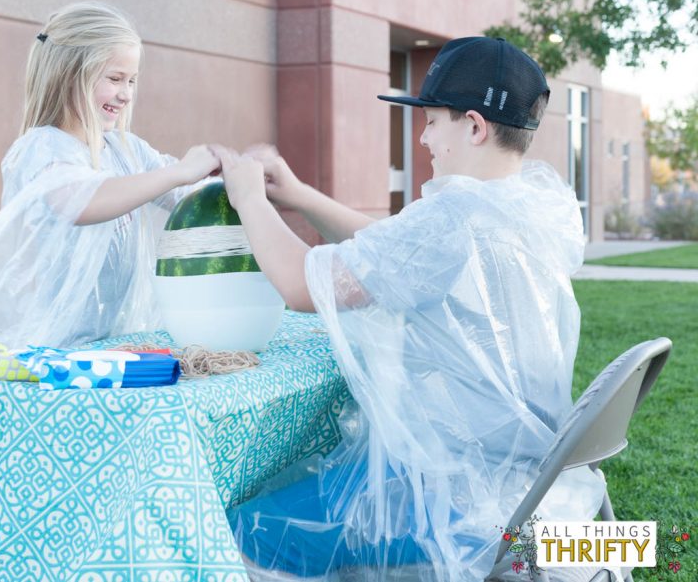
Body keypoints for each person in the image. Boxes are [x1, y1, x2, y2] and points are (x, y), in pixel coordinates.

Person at [214, 37, 607, 581]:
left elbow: (303, 288)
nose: (422, 138)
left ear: (474, 126)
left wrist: (249, 199)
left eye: (431, 122)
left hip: (463, 503)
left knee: (235, 532)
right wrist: (301, 196)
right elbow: (391, 250)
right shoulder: (527, 207)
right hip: (541, 488)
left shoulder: (450, 217)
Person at [0, 2, 219, 350]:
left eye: (131, 81)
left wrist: (235, 183)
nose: (126, 94)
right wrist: (179, 172)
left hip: (111, 345)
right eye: (114, 79)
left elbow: (186, 195)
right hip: (50, 351)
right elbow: (78, 201)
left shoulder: (126, 150)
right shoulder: (41, 148)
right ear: (70, 75)